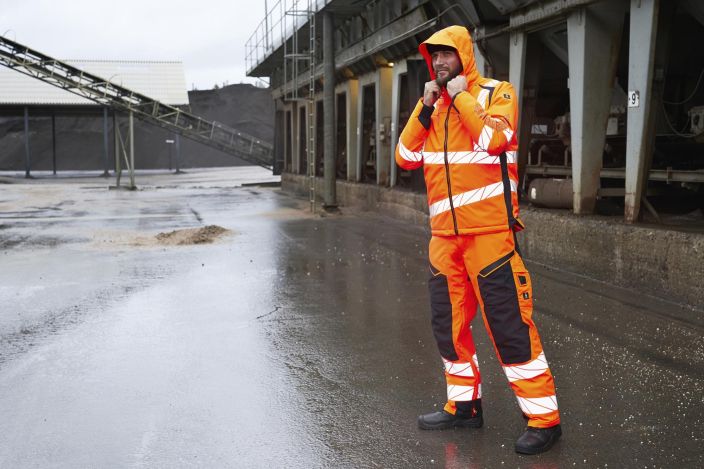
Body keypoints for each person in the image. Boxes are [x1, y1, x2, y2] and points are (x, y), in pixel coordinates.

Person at [394, 25, 562, 455]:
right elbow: (405, 156)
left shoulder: (495, 93)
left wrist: (463, 95)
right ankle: (464, 407)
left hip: (490, 238)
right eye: (435, 57)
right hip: (443, 241)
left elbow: (494, 140)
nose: (441, 62)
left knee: (510, 329)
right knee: (447, 331)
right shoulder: (431, 110)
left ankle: (544, 419)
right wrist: (425, 105)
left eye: (447, 54)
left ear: (464, 56)